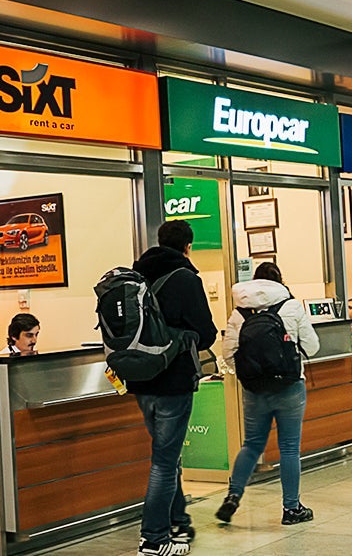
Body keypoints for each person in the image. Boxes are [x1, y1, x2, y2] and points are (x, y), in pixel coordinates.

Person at [127, 220, 217, 556]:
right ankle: (153, 539)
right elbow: (206, 333)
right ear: (188, 246)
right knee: (165, 461)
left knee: (167, 455)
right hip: (173, 382)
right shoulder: (185, 278)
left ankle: (178, 520)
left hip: (141, 381)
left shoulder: (137, 276)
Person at [216, 262, 319, 526]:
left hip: (255, 390)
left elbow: (227, 354)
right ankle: (291, 508)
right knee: (288, 448)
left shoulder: (240, 312)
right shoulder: (292, 306)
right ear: (279, 281)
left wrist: (251, 371)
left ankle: (233, 496)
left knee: (251, 445)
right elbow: (313, 346)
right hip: (289, 387)